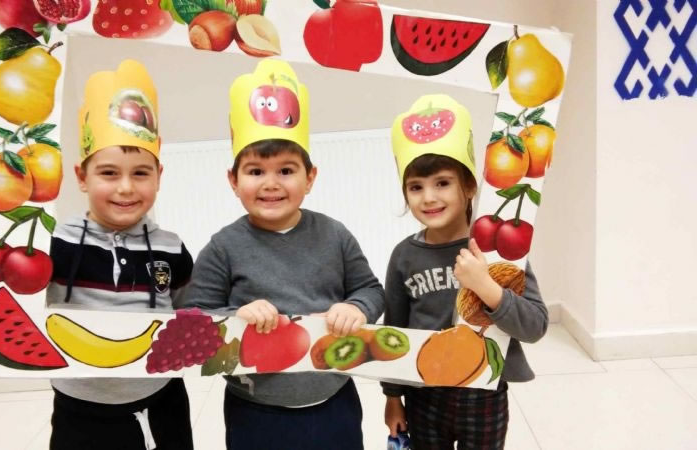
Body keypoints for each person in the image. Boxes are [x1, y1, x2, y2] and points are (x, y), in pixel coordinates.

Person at [0, 60, 194, 450]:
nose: (126, 188)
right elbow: (6, 303)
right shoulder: (51, 244)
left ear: (159, 176)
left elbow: (190, 313)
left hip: (162, 401)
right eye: (109, 173)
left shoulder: (172, 247)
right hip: (79, 408)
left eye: (141, 173)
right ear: (82, 177)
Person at [180, 59, 385, 450]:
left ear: (310, 178)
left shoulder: (335, 234)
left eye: (286, 171)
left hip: (334, 401)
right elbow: (196, 319)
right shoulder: (223, 247)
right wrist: (235, 316)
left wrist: (356, 307)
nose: (271, 184)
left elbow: (371, 290)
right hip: (255, 410)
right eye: (255, 171)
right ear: (233, 181)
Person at [381, 94, 548, 450]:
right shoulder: (403, 256)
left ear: (470, 186)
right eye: (416, 187)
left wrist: (486, 287)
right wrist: (393, 397)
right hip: (424, 393)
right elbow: (394, 327)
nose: (428, 197)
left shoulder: (497, 250)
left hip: (484, 393)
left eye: (442, 183)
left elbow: (535, 326)